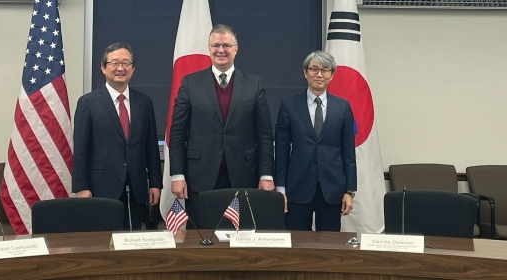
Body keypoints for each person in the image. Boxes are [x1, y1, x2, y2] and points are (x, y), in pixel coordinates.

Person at [169, 24, 275, 225]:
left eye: (226, 45)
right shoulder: (190, 83)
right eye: (216, 45)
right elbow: (177, 132)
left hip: (243, 176)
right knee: (201, 240)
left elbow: (264, 135)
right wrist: (177, 174)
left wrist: (266, 174)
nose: (221, 50)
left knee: (239, 239)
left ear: (236, 48)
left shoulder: (254, 83)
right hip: (199, 177)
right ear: (208, 48)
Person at [72, 42, 162, 230]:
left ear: (133, 68)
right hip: (100, 187)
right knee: (102, 241)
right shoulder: (88, 103)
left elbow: (151, 147)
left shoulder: (144, 102)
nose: (120, 68)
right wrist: (81, 187)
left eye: (126, 63)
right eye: (114, 63)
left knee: (133, 241)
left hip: (136, 187)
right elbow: (81, 149)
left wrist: (155, 183)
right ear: (103, 68)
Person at [275, 50, 356, 231]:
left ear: (332, 75)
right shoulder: (289, 106)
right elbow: (281, 151)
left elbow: (348, 153)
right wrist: (280, 190)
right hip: (297, 187)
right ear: (305, 72)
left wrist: (349, 191)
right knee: (297, 243)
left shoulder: (342, 107)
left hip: (332, 188)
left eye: (325, 70)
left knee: (329, 245)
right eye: (314, 69)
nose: (319, 74)